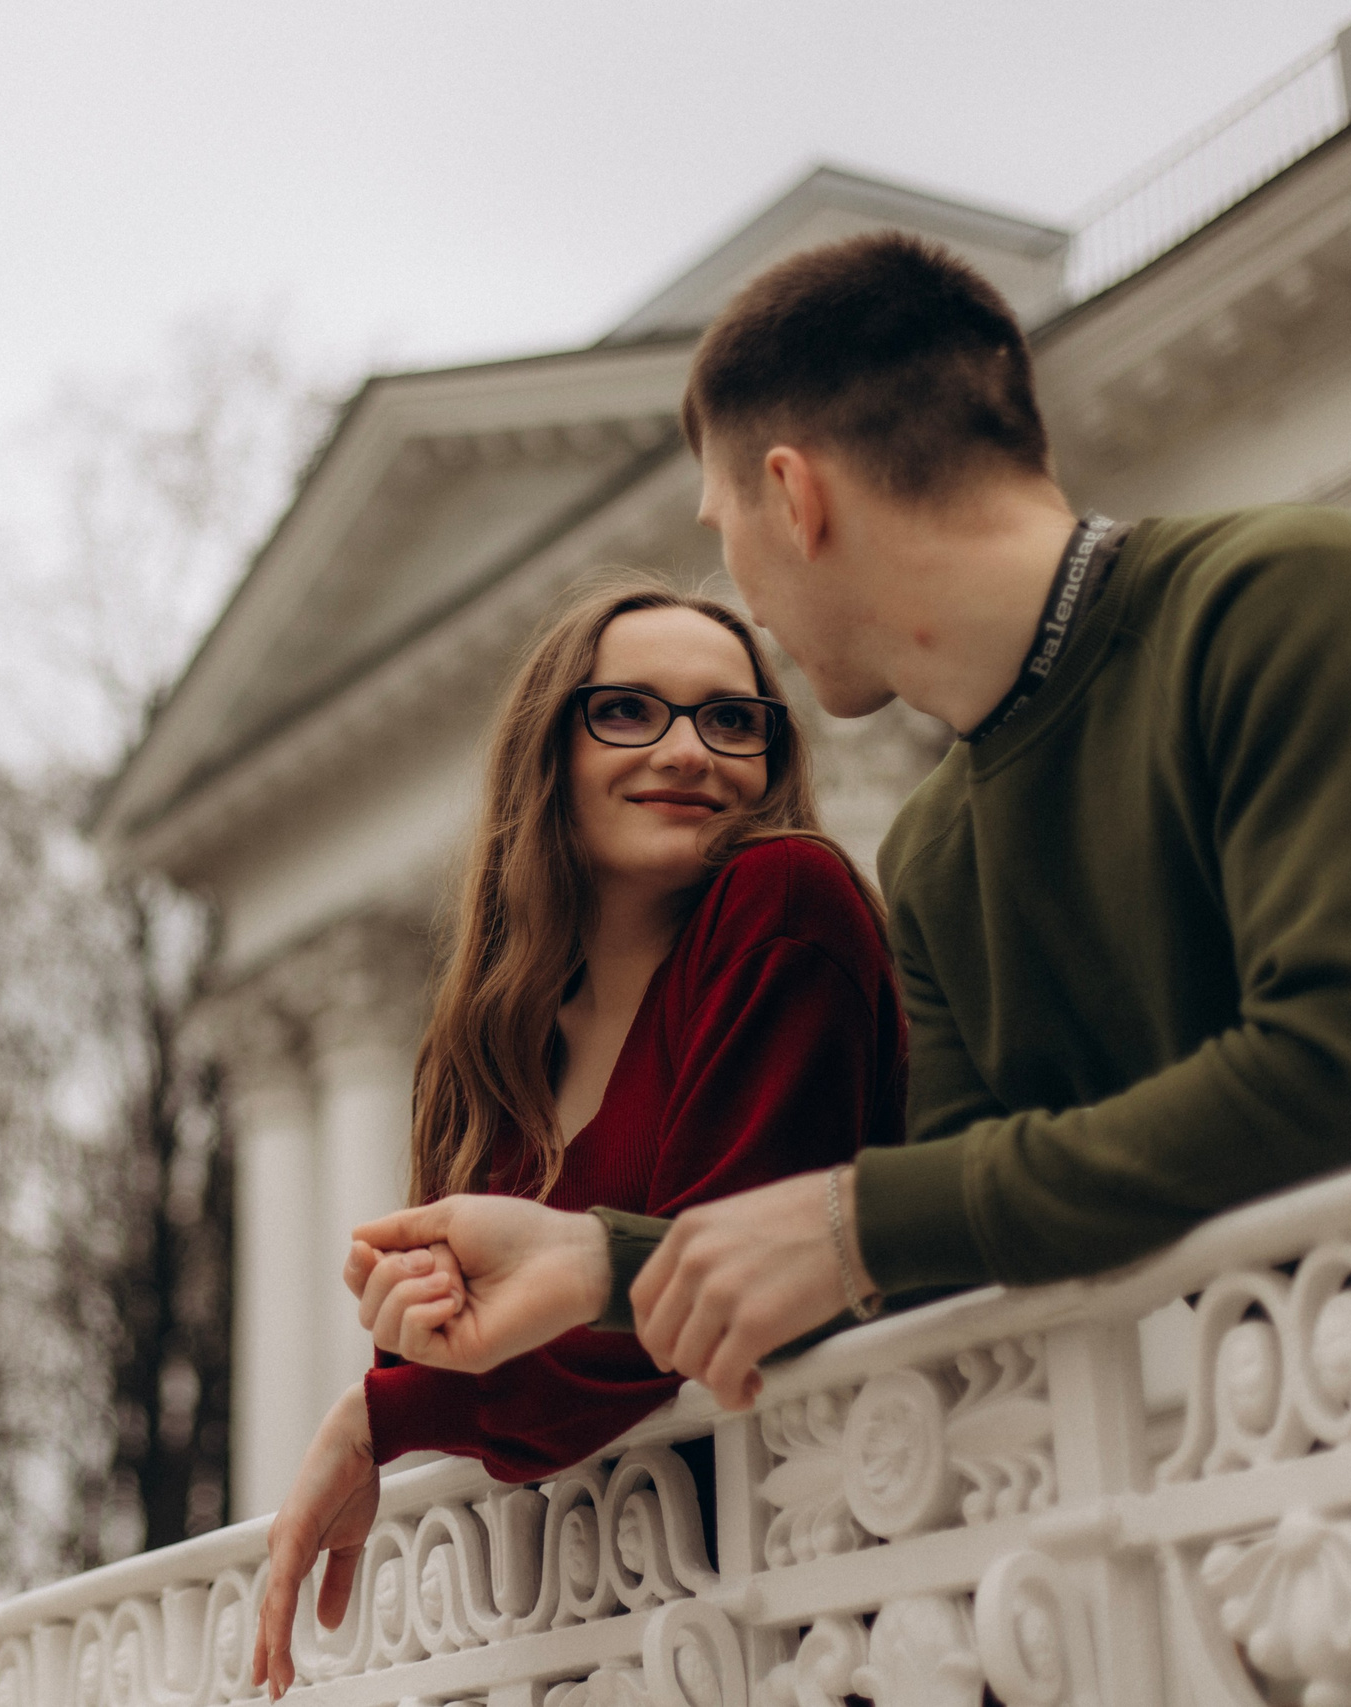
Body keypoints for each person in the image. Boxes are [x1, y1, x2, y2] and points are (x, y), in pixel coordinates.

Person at [348, 230, 1351, 1420]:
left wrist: (856, 1222)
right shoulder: (936, 851)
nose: (743, 596)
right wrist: (597, 1265)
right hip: (1311, 1471)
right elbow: (938, 1254)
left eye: (722, 529)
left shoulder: (1295, 596)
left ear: (794, 498)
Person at [247, 580, 904, 1698]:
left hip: (831, 1614)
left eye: (730, 718)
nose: (688, 750)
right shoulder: (484, 1059)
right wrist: (406, 1350)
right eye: (629, 711)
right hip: (600, 1642)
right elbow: (469, 1367)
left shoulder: (787, 905)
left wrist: (381, 1415)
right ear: (548, 754)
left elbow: (708, 1305)